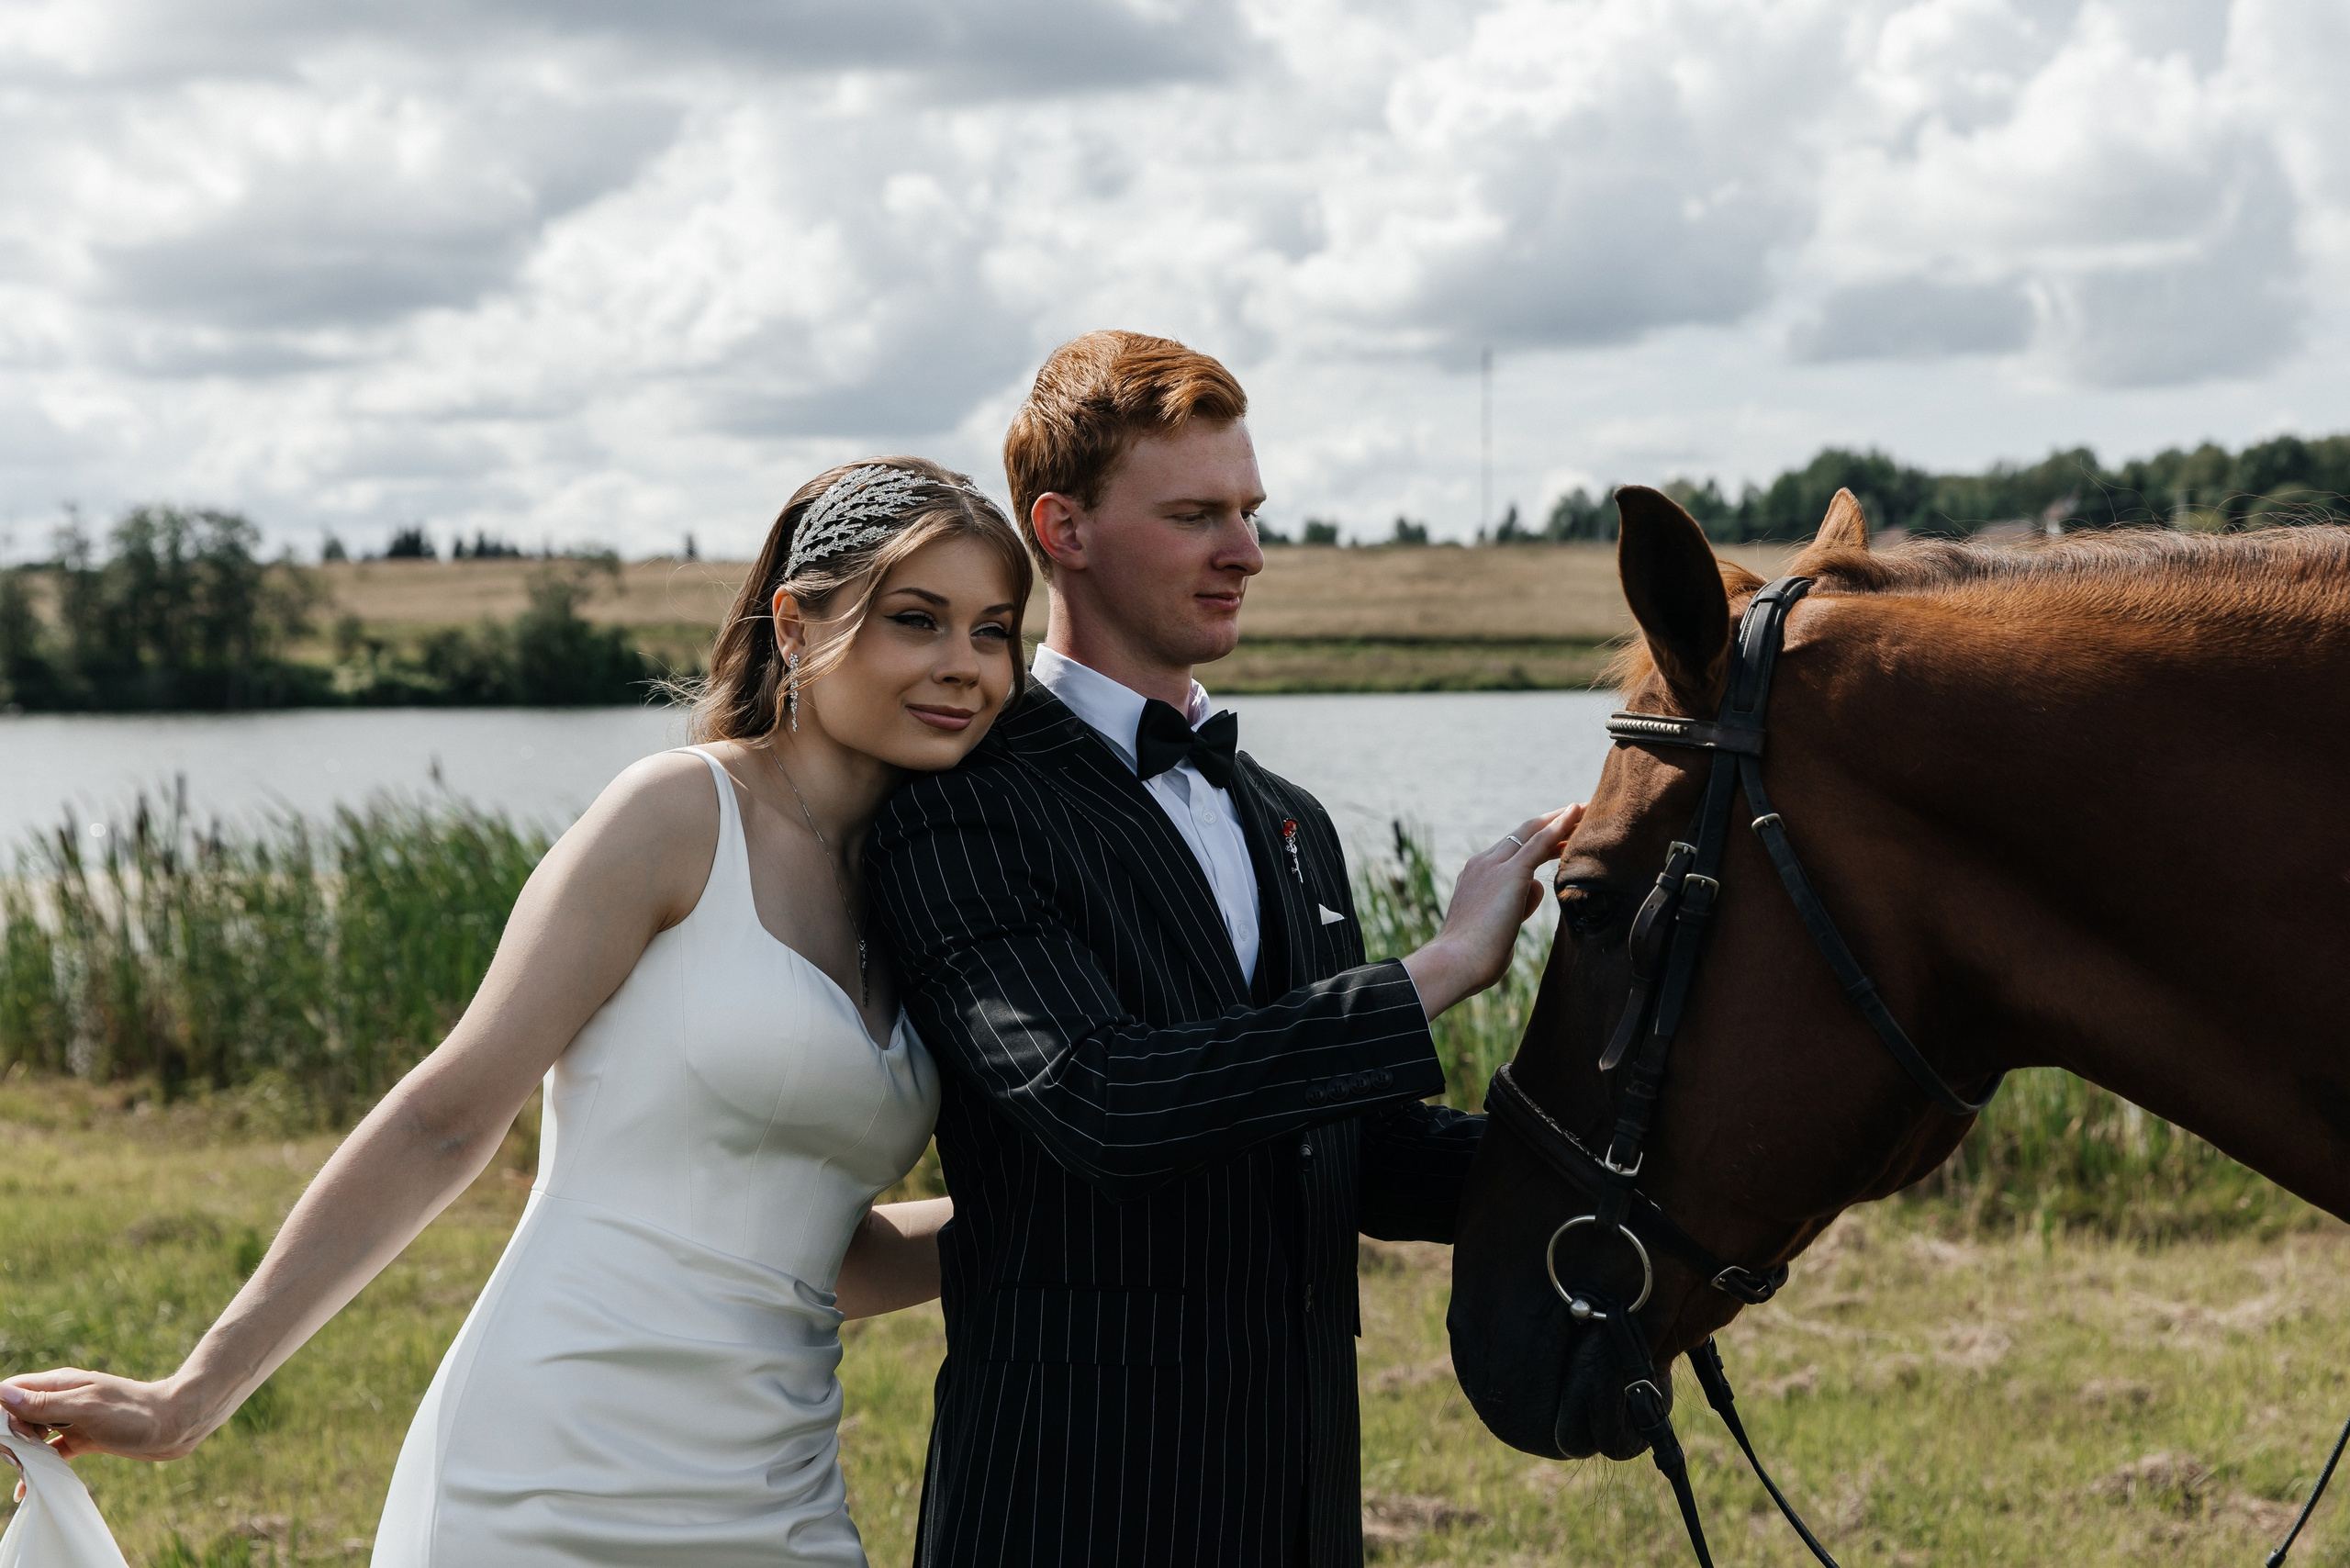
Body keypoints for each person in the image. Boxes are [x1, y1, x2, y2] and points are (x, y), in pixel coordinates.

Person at [1, 457, 1033, 1567]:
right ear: (794, 623)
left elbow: (824, 1249)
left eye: (994, 631)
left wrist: (1088, 1224)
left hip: (778, 1488)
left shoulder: (925, 890)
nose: (963, 666)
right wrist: (193, 1393)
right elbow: (447, 1116)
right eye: (917, 620)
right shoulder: (678, 815)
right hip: (549, 1462)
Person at [867, 332, 1583, 1568]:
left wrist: (1627, 1178)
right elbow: (1105, 1102)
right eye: (1195, 513)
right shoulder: (962, 804)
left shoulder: (1289, 819)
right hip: (1069, 1501)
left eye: (1251, 512)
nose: (1246, 552)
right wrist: (1439, 970)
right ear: (1064, 529)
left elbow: (1366, 1159)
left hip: (1297, 1494)